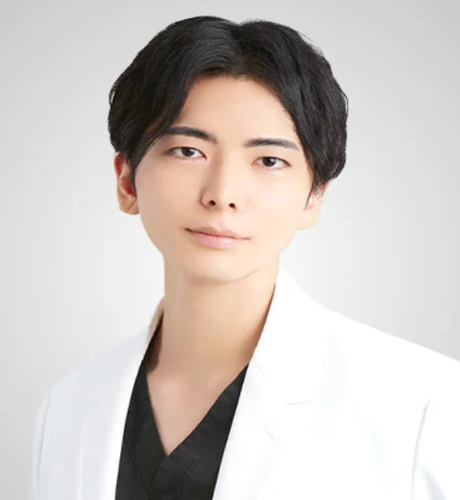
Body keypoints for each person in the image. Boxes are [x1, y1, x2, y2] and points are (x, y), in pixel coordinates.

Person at [28, 15, 460, 500]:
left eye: (269, 161)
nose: (223, 193)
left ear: (314, 196)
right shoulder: (68, 409)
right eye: (188, 151)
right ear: (127, 180)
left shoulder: (426, 406)